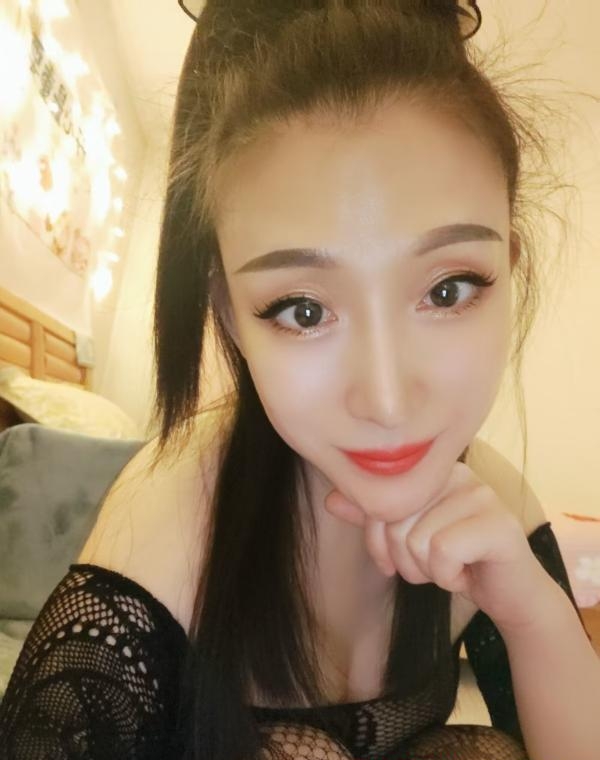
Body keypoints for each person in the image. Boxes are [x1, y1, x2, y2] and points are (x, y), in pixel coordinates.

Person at [1, 1, 599, 758]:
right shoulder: (164, 535)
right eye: (304, 310)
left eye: (448, 290)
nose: (387, 401)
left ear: (508, 269)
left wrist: (532, 613)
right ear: (230, 313)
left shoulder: (499, 505)